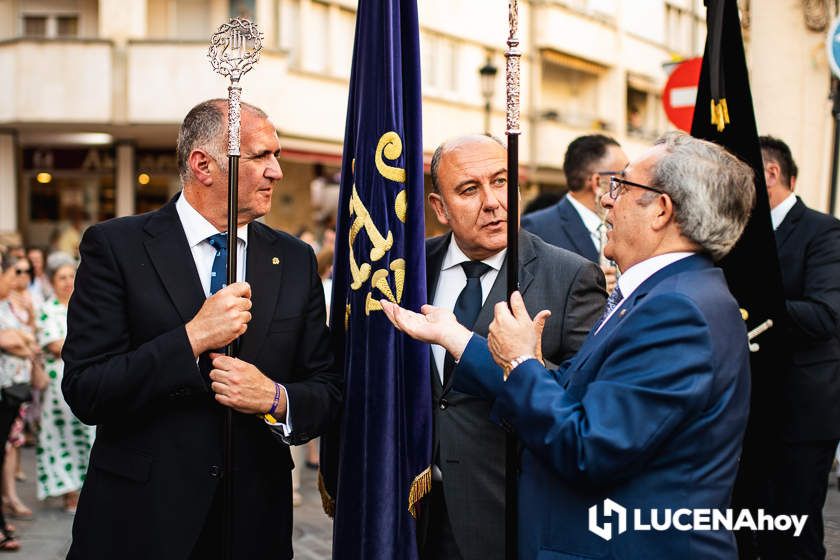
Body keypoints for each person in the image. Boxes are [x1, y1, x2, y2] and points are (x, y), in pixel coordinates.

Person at [382, 132, 756, 558]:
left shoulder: (677, 309)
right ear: (440, 206)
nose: (607, 202)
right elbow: (581, 399)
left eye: (623, 186)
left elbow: (589, 446)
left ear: (661, 211)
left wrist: (522, 361)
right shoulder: (669, 295)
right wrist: (464, 341)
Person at [62, 99, 343, 559]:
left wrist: (275, 397)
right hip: (139, 522)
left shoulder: (294, 259)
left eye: (276, 155)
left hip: (254, 526)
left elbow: (328, 389)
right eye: (260, 157)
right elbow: (86, 389)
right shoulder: (116, 247)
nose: (276, 171)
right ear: (203, 165)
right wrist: (191, 338)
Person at [419, 135, 606, 560]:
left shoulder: (571, 277)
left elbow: (581, 403)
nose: (492, 202)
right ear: (440, 207)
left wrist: (527, 363)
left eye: (501, 182)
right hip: (413, 516)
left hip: (508, 519)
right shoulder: (407, 269)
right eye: (469, 189)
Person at [759, 136, 840, 559]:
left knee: (794, 539)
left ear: (771, 173)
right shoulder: (742, 232)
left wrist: (749, 306)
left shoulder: (824, 232)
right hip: (750, 412)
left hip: (801, 417)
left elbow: (826, 315)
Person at [522, 134, 628, 291]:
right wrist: (591, 290)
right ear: (597, 181)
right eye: (622, 176)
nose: (626, 185)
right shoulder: (535, 229)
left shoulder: (623, 226)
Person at [35, 252, 93, 513]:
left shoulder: (86, 305)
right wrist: (86, 345)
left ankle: (87, 490)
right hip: (58, 388)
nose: (67, 282)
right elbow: (54, 345)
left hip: (88, 380)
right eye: (61, 277)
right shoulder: (47, 309)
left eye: (71, 276)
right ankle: (69, 492)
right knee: (62, 440)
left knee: (88, 437)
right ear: (52, 281)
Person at [0, 253, 40, 553]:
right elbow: (12, 341)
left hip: (11, 388)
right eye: (12, 272)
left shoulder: (12, 304)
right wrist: (19, 340)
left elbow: (27, 338)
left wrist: (22, 337)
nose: (15, 278)